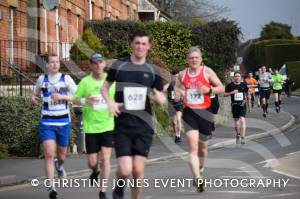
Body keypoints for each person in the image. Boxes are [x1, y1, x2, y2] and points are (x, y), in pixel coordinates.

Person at [101, 30, 166, 199]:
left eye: (144, 44)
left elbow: (160, 97)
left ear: (149, 46)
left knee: (138, 170)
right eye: (137, 43)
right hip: (122, 125)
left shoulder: (153, 70)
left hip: (144, 126)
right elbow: (105, 87)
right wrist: (109, 102)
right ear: (132, 44)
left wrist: (160, 98)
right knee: (125, 169)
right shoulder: (119, 66)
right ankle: (119, 187)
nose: (140, 46)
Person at [174, 46, 224, 192]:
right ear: (187, 60)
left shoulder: (207, 71)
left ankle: (200, 168)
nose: (194, 60)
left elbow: (221, 88)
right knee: (192, 147)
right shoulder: (182, 74)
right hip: (190, 113)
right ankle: (197, 177)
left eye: (196, 57)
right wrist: (178, 93)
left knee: (203, 148)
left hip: (205, 113)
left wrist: (208, 90)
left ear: (201, 59)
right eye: (191, 58)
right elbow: (177, 89)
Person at [31, 54, 77, 199]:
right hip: (47, 123)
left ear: (59, 64)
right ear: (48, 65)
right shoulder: (41, 80)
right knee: (49, 154)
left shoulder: (66, 79)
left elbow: (78, 96)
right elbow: (34, 94)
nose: (55, 64)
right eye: (52, 62)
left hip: (63, 123)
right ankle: (51, 187)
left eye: (57, 62)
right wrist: (33, 98)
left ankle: (60, 165)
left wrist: (63, 97)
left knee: (61, 155)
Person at [73, 53, 115, 199]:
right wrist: (85, 100)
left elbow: (118, 100)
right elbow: (75, 100)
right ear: (91, 65)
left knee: (106, 158)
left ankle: (102, 191)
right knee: (92, 162)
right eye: (95, 63)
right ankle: (94, 171)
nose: (98, 65)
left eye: (100, 62)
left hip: (108, 125)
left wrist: (114, 106)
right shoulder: (85, 82)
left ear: (104, 64)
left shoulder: (111, 82)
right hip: (91, 127)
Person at [224, 71, 249, 145]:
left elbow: (247, 92)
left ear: (240, 77)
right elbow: (224, 94)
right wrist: (231, 93)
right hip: (234, 105)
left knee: (242, 120)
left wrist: (249, 98)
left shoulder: (243, 85)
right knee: (237, 121)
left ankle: (243, 137)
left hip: (242, 105)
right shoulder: (230, 85)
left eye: (238, 76)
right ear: (234, 77)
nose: (237, 77)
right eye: (236, 76)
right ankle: (238, 134)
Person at [163, 71, 184, 143]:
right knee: (174, 122)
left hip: (179, 104)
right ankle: (176, 135)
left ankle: (178, 136)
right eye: (175, 76)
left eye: (178, 76)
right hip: (171, 105)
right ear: (172, 76)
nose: (176, 78)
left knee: (178, 119)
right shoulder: (170, 84)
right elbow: (163, 89)